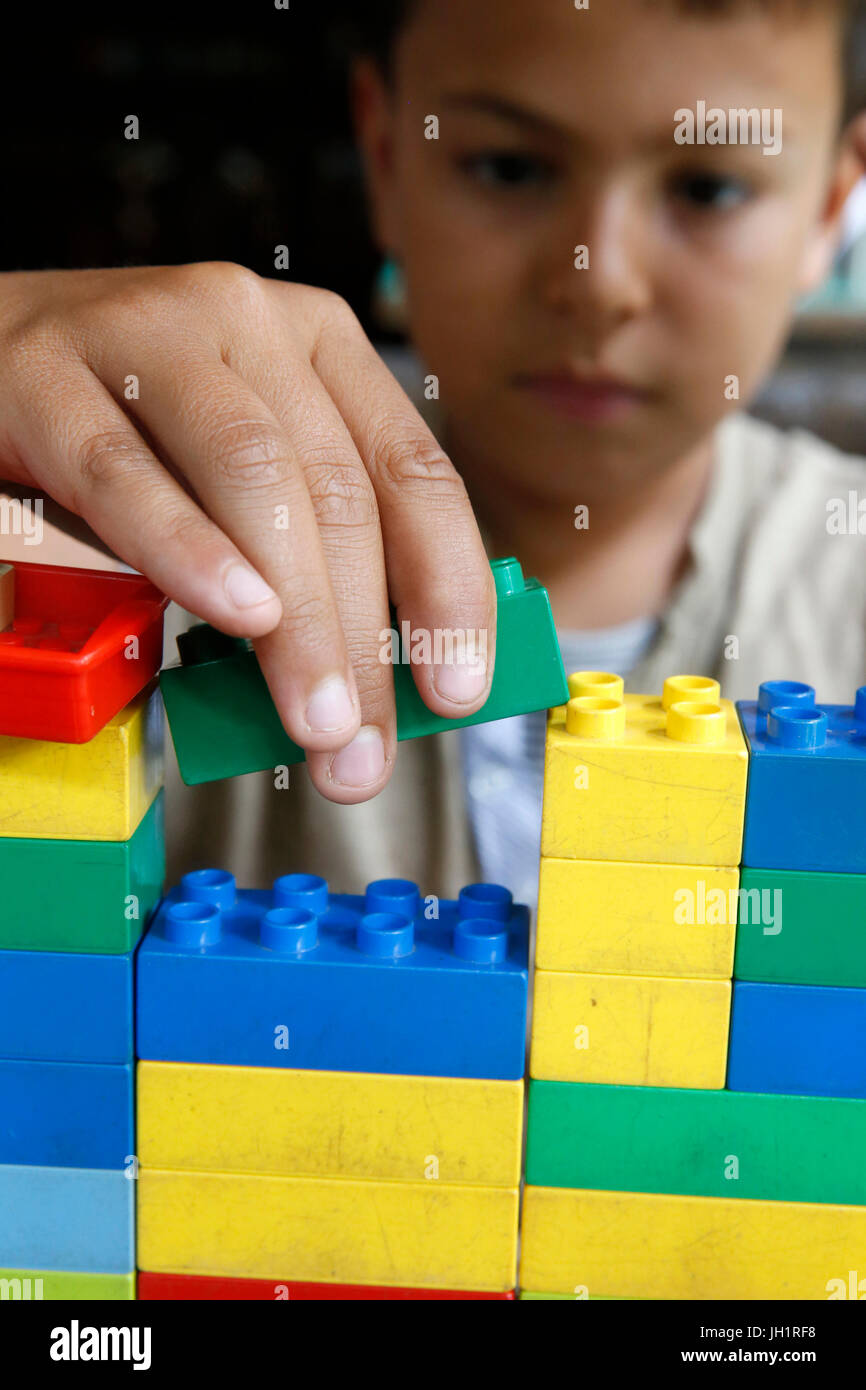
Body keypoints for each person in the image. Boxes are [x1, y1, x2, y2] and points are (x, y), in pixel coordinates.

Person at [1, 0, 865, 906]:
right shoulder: (129, 546)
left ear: (834, 206)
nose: (599, 281)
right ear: (384, 156)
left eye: (710, 188)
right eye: (509, 167)